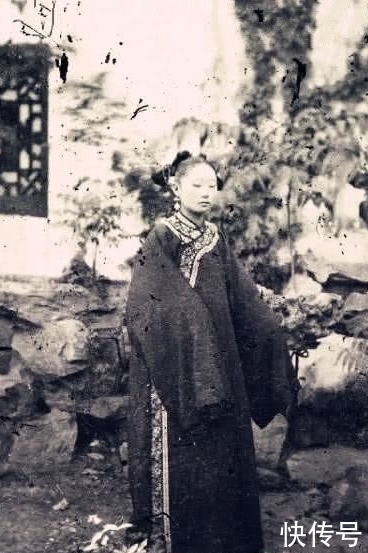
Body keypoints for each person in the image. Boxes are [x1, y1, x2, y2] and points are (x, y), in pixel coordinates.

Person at [125, 151, 299, 553]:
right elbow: (148, 301)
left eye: (211, 186)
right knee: (182, 453)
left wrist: (269, 330)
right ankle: (170, 537)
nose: (206, 193)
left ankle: (222, 539)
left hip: (219, 365)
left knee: (220, 455)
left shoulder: (215, 239)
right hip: (175, 366)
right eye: (196, 185)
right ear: (176, 187)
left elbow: (242, 298)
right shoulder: (162, 236)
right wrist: (198, 338)